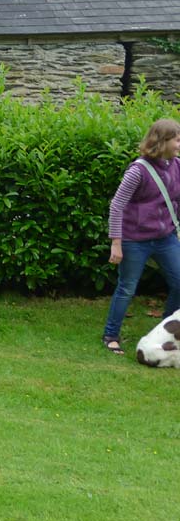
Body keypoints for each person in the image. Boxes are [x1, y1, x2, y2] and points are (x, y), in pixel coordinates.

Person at [102, 118, 180, 355]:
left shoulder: (177, 166)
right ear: (162, 141)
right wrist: (116, 243)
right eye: (177, 140)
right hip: (134, 239)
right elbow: (117, 206)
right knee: (127, 288)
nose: (179, 145)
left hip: (165, 237)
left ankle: (164, 329)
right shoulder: (138, 171)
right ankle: (111, 335)